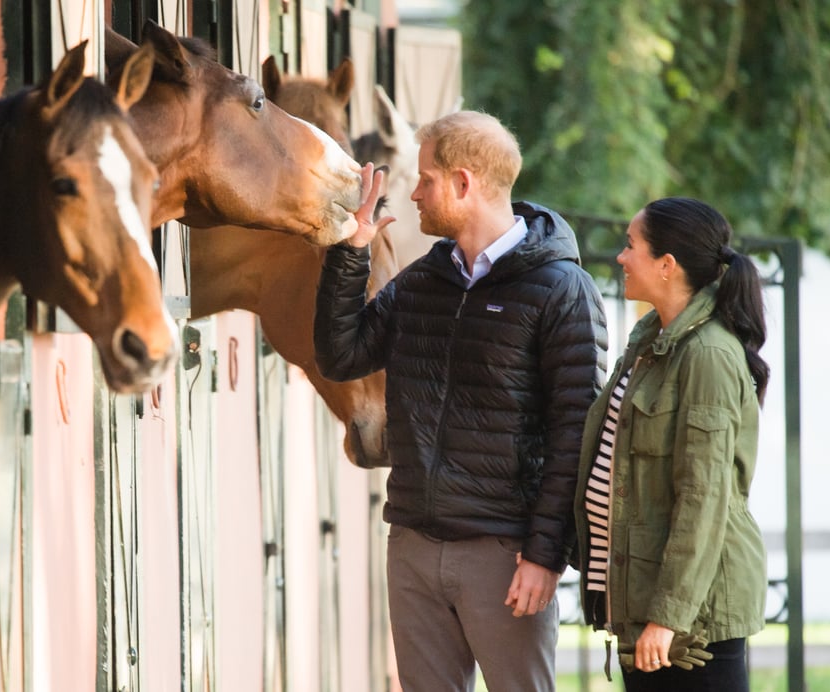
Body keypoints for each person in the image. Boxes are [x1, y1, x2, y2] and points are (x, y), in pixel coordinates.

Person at [314, 110, 608, 691]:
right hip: (414, 545)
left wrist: (545, 555)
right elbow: (340, 356)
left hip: (504, 555)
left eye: (425, 179)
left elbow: (575, 432)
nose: (415, 193)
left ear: (464, 183)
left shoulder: (561, 288)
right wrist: (353, 251)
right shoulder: (425, 280)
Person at [572, 197, 769, 691]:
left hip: (690, 623)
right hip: (649, 605)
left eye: (630, 246)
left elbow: (704, 498)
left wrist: (668, 617)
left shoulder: (707, 354)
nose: (620, 258)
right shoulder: (651, 343)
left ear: (666, 265)